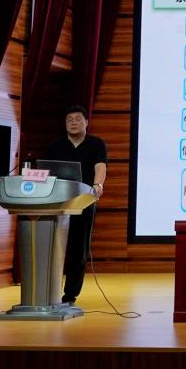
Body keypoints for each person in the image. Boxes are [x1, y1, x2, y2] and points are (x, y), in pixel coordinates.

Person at [44, 105, 108, 306]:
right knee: (54, 248)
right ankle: (48, 291)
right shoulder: (55, 146)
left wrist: (98, 185)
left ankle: (70, 295)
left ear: (86, 122)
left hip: (84, 201)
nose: (73, 122)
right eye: (69, 119)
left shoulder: (96, 144)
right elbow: (47, 173)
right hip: (57, 202)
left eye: (78, 119)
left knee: (78, 250)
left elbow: (100, 167)